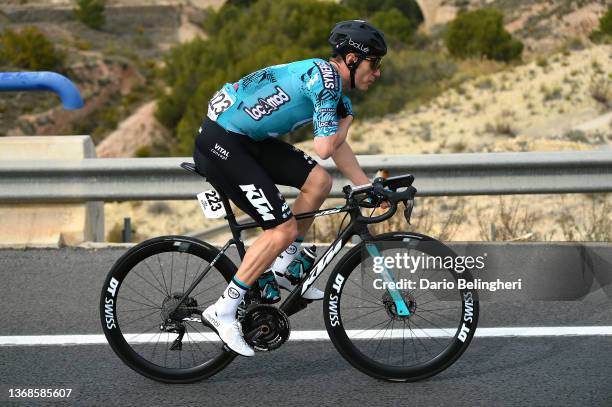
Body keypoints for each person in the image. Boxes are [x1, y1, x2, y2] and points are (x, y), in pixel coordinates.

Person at [194, 20, 387, 356]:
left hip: (248, 138)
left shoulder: (334, 86)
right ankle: (222, 310)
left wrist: (366, 187)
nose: (378, 73)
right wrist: (347, 122)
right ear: (353, 60)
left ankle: (285, 265)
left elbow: (336, 152)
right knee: (280, 228)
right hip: (222, 140)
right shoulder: (327, 84)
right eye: (375, 64)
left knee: (319, 181)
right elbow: (326, 147)